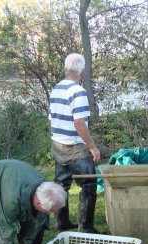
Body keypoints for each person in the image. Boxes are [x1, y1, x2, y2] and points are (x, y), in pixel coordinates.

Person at [49, 53, 101, 233]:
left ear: (66, 68)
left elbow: (52, 118)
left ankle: (61, 223)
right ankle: (85, 228)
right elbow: (79, 123)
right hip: (74, 147)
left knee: (61, 185)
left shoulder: (56, 88)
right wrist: (92, 147)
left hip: (57, 144)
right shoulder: (78, 91)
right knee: (89, 185)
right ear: (82, 71)